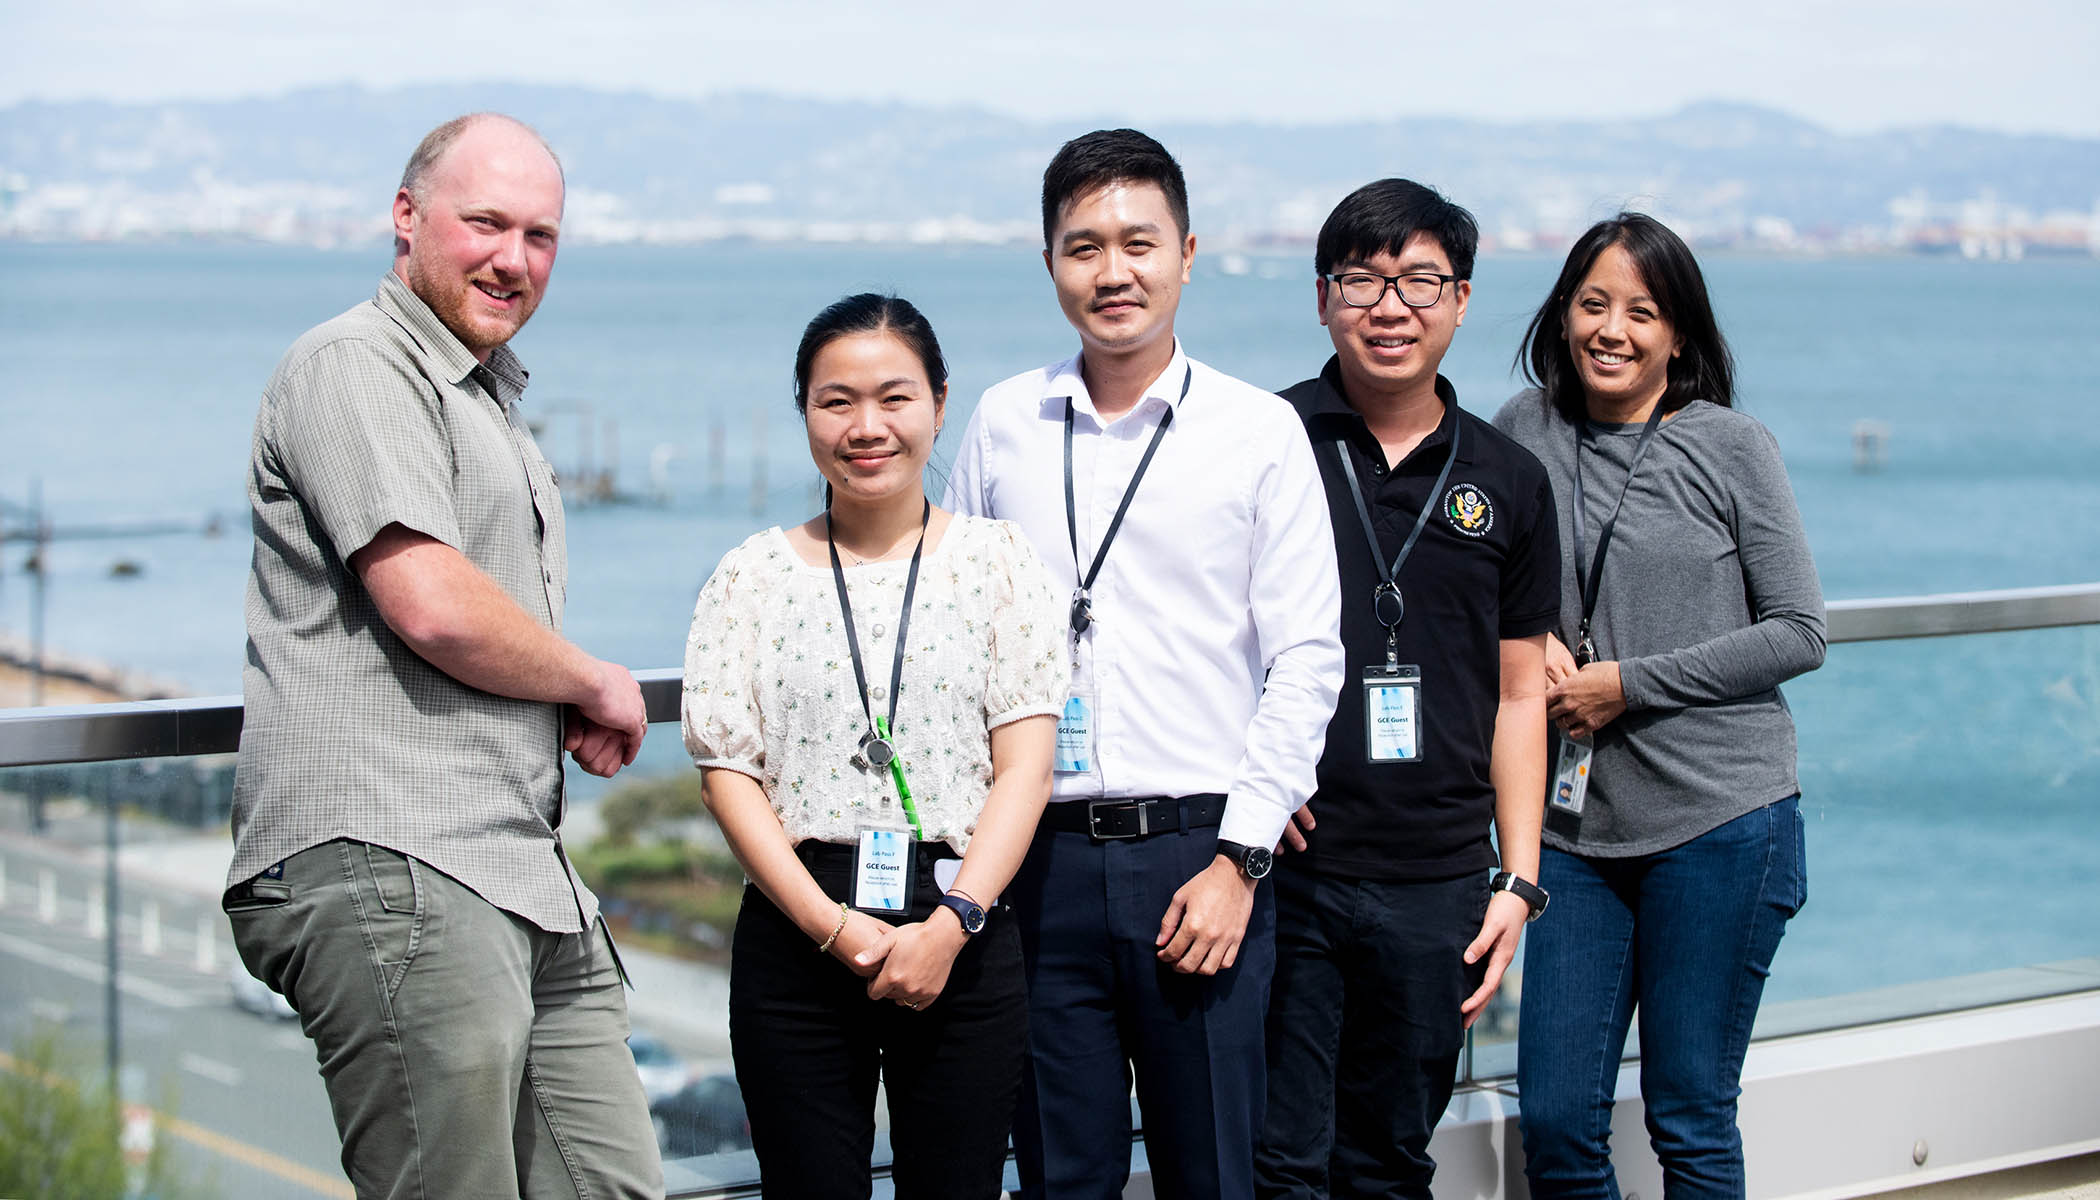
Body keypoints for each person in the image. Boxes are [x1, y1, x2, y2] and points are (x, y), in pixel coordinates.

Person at [223, 113, 662, 1198]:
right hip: (395, 852)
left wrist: (543, 691)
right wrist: (591, 678)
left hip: (524, 872)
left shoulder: (485, 401)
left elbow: (472, 618)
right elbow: (430, 602)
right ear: (407, 218)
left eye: (541, 235)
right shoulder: (354, 365)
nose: (514, 258)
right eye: (486, 224)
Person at [945, 128, 1346, 1200]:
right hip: (1035, 864)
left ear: (1187, 252)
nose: (1112, 271)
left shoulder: (1257, 432)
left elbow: (1308, 660)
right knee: (1057, 1178)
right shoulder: (1002, 423)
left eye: (1138, 242)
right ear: (1050, 265)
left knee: (1215, 1173)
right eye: (1083, 247)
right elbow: (955, 637)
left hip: (1197, 860)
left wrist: (1242, 862)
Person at [682, 293, 1065, 1197]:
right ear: (805, 412)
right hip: (798, 931)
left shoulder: (997, 563)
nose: (867, 427)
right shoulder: (751, 576)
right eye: (836, 401)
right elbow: (727, 775)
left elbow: (1026, 768)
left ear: (939, 401)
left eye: (895, 398)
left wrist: (955, 921)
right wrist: (832, 927)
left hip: (960, 924)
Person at [1492, 213, 1825, 1198]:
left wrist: (1626, 684)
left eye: (1642, 311)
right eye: (1593, 304)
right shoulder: (1523, 429)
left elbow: (1799, 630)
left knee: (1689, 1116)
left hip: (1720, 822)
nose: (1613, 329)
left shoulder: (1730, 445)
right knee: (1553, 1121)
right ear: (1561, 316)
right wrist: (1526, 637)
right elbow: (1478, 585)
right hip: (1571, 837)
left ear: (1678, 334)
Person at [1256, 179, 1559, 1198]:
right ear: (1322, 297)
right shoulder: (1265, 443)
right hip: (1284, 871)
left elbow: (1523, 693)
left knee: (1388, 1162)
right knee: (1279, 1162)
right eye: (1363, 281)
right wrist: (1248, 785)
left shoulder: (1509, 478)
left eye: (1421, 281)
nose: (1392, 307)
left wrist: (1515, 880)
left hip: (1436, 879)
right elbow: (1204, 643)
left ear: (1463, 300)